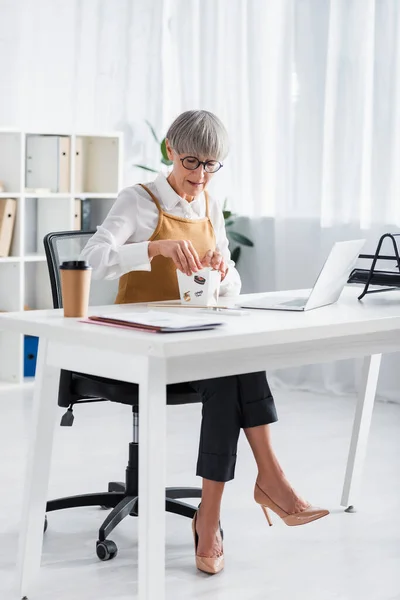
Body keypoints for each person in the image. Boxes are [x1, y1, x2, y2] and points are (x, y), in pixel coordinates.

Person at [81, 109, 329, 575]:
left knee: (235, 362)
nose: (201, 176)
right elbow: (90, 258)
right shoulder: (138, 199)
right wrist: (151, 248)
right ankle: (265, 485)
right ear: (170, 151)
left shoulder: (210, 203)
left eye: (212, 165)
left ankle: (212, 516)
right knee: (230, 370)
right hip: (139, 346)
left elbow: (231, 287)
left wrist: (221, 268)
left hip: (192, 338)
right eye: (192, 162)